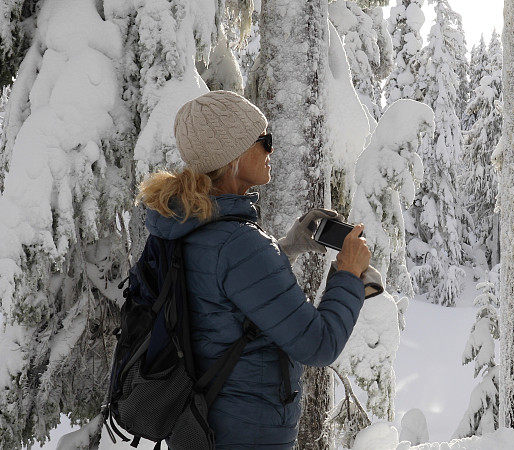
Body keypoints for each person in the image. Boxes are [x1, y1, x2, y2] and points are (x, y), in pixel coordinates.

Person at [135, 90, 371, 449]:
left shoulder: (187, 223)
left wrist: (288, 246)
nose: (271, 150)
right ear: (233, 156)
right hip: (248, 434)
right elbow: (318, 344)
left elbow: (226, 296)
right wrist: (348, 274)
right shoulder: (239, 243)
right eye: (264, 141)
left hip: (203, 426)